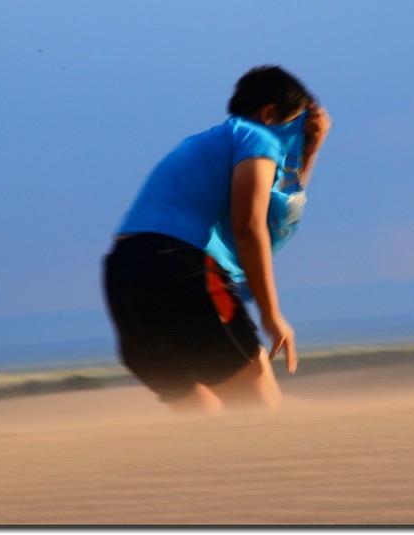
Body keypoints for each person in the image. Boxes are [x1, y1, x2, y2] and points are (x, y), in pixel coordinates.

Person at [102, 66, 331, 412]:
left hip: (123, 279)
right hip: (176, 271)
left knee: (207, 419)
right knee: (263, 413)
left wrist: (311, 149)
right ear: (270, 113)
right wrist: (271, 315)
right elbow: (250, 226)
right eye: (299, 128)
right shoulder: (257, 138)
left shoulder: (206, 145)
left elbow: (276, 211)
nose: (295, 145)